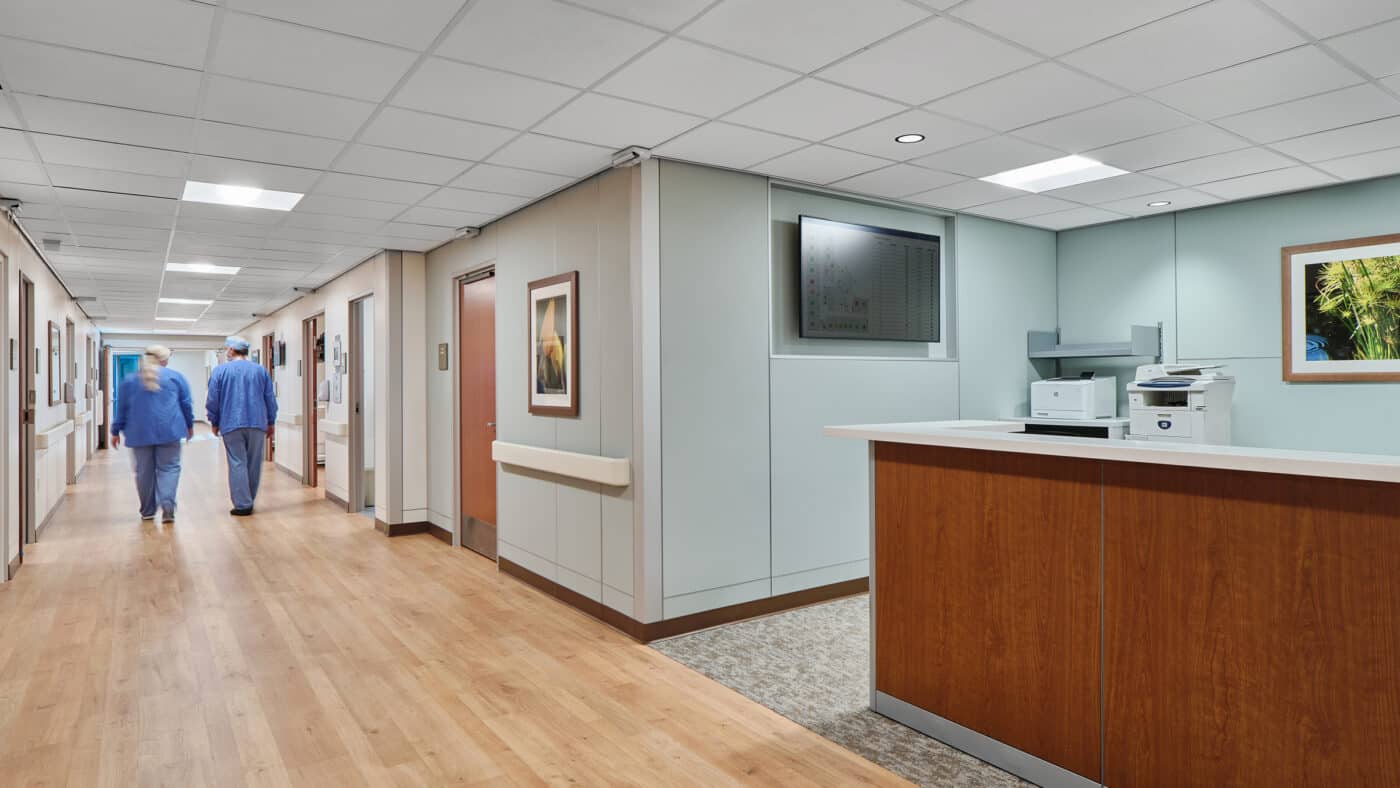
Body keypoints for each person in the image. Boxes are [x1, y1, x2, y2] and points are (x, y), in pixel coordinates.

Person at [110, 345, 193, 522]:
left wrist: (115, 431)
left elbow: (121, 409)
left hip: (139, 433)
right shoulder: (175, 377)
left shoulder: (130, 380)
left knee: (144, 472)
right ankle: (168, 505)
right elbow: (186, 404)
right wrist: (189, 425)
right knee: (169, 468)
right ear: (165, 360)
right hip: (169, 430)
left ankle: (147, 511)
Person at [206, 336, 277, 516]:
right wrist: (270, 421)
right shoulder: (260, 371)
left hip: (231, 424)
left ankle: (242, 504)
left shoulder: (220, 371)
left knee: (237, 462)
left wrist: (213, 421)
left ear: (231, 350)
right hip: (257, 423)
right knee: (254, 463)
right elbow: (270, 398)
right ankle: (249, 499)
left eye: (226, 349)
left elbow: (213, 399)